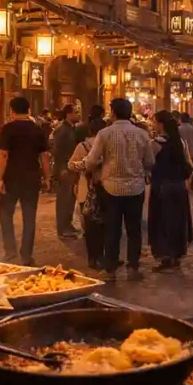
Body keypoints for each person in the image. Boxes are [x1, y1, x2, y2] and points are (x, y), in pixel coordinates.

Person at [84, 98, 155, 281]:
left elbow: (91, 161)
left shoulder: (104, 134)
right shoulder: (142, 134)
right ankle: (133, 268)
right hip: (136, 188)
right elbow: (149, 161)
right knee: (134, 230)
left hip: (110, 189)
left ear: (113, 113)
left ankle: (110, 270)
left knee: (112, 230)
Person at [0, 96, 51, 265]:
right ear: (28, 110)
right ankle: (26, 255)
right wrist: (47, 177)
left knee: (6, 214)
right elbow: (44, 156)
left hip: (11, 177)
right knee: (29, 216)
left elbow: (3, 155)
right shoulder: (37, 130)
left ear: (12, 111)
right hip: (31, 178)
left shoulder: (7, 129)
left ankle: (10, 251)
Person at [148, 111, 193, 272]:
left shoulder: (155, 144)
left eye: (154, 122)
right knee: (177, 221)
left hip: (161, 187)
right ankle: (176, 254)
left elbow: (148, 164)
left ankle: (165, 256)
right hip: (179, 187)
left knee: (162, 221)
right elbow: (189, 165)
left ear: (161, 124)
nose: (153, 125)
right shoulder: (180, 142)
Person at [70, 118, 106, 270]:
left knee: (89, 226)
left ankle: (92, 257)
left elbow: (71, 165)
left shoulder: (82, 146)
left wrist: (81, 166)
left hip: (86, 190)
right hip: (106, 188)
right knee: (104, 225)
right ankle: (103, 256)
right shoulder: (107, 144)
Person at [51, 104, 82, 239]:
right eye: (76, 112)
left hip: (71, 167)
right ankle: (62, 228)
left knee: (70, 198)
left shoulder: (71, 128)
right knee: (64, 199)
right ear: (68, 114)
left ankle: (67, 225)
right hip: (65, 169)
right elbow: (57, 151)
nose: (78, 114)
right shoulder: (62, 130)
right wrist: (62, 168)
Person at [178, 113, 193, 190]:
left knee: (182, 169)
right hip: (192, 152)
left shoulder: (178, 129)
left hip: (181, 153)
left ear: (180, 119)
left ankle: (184, 185)